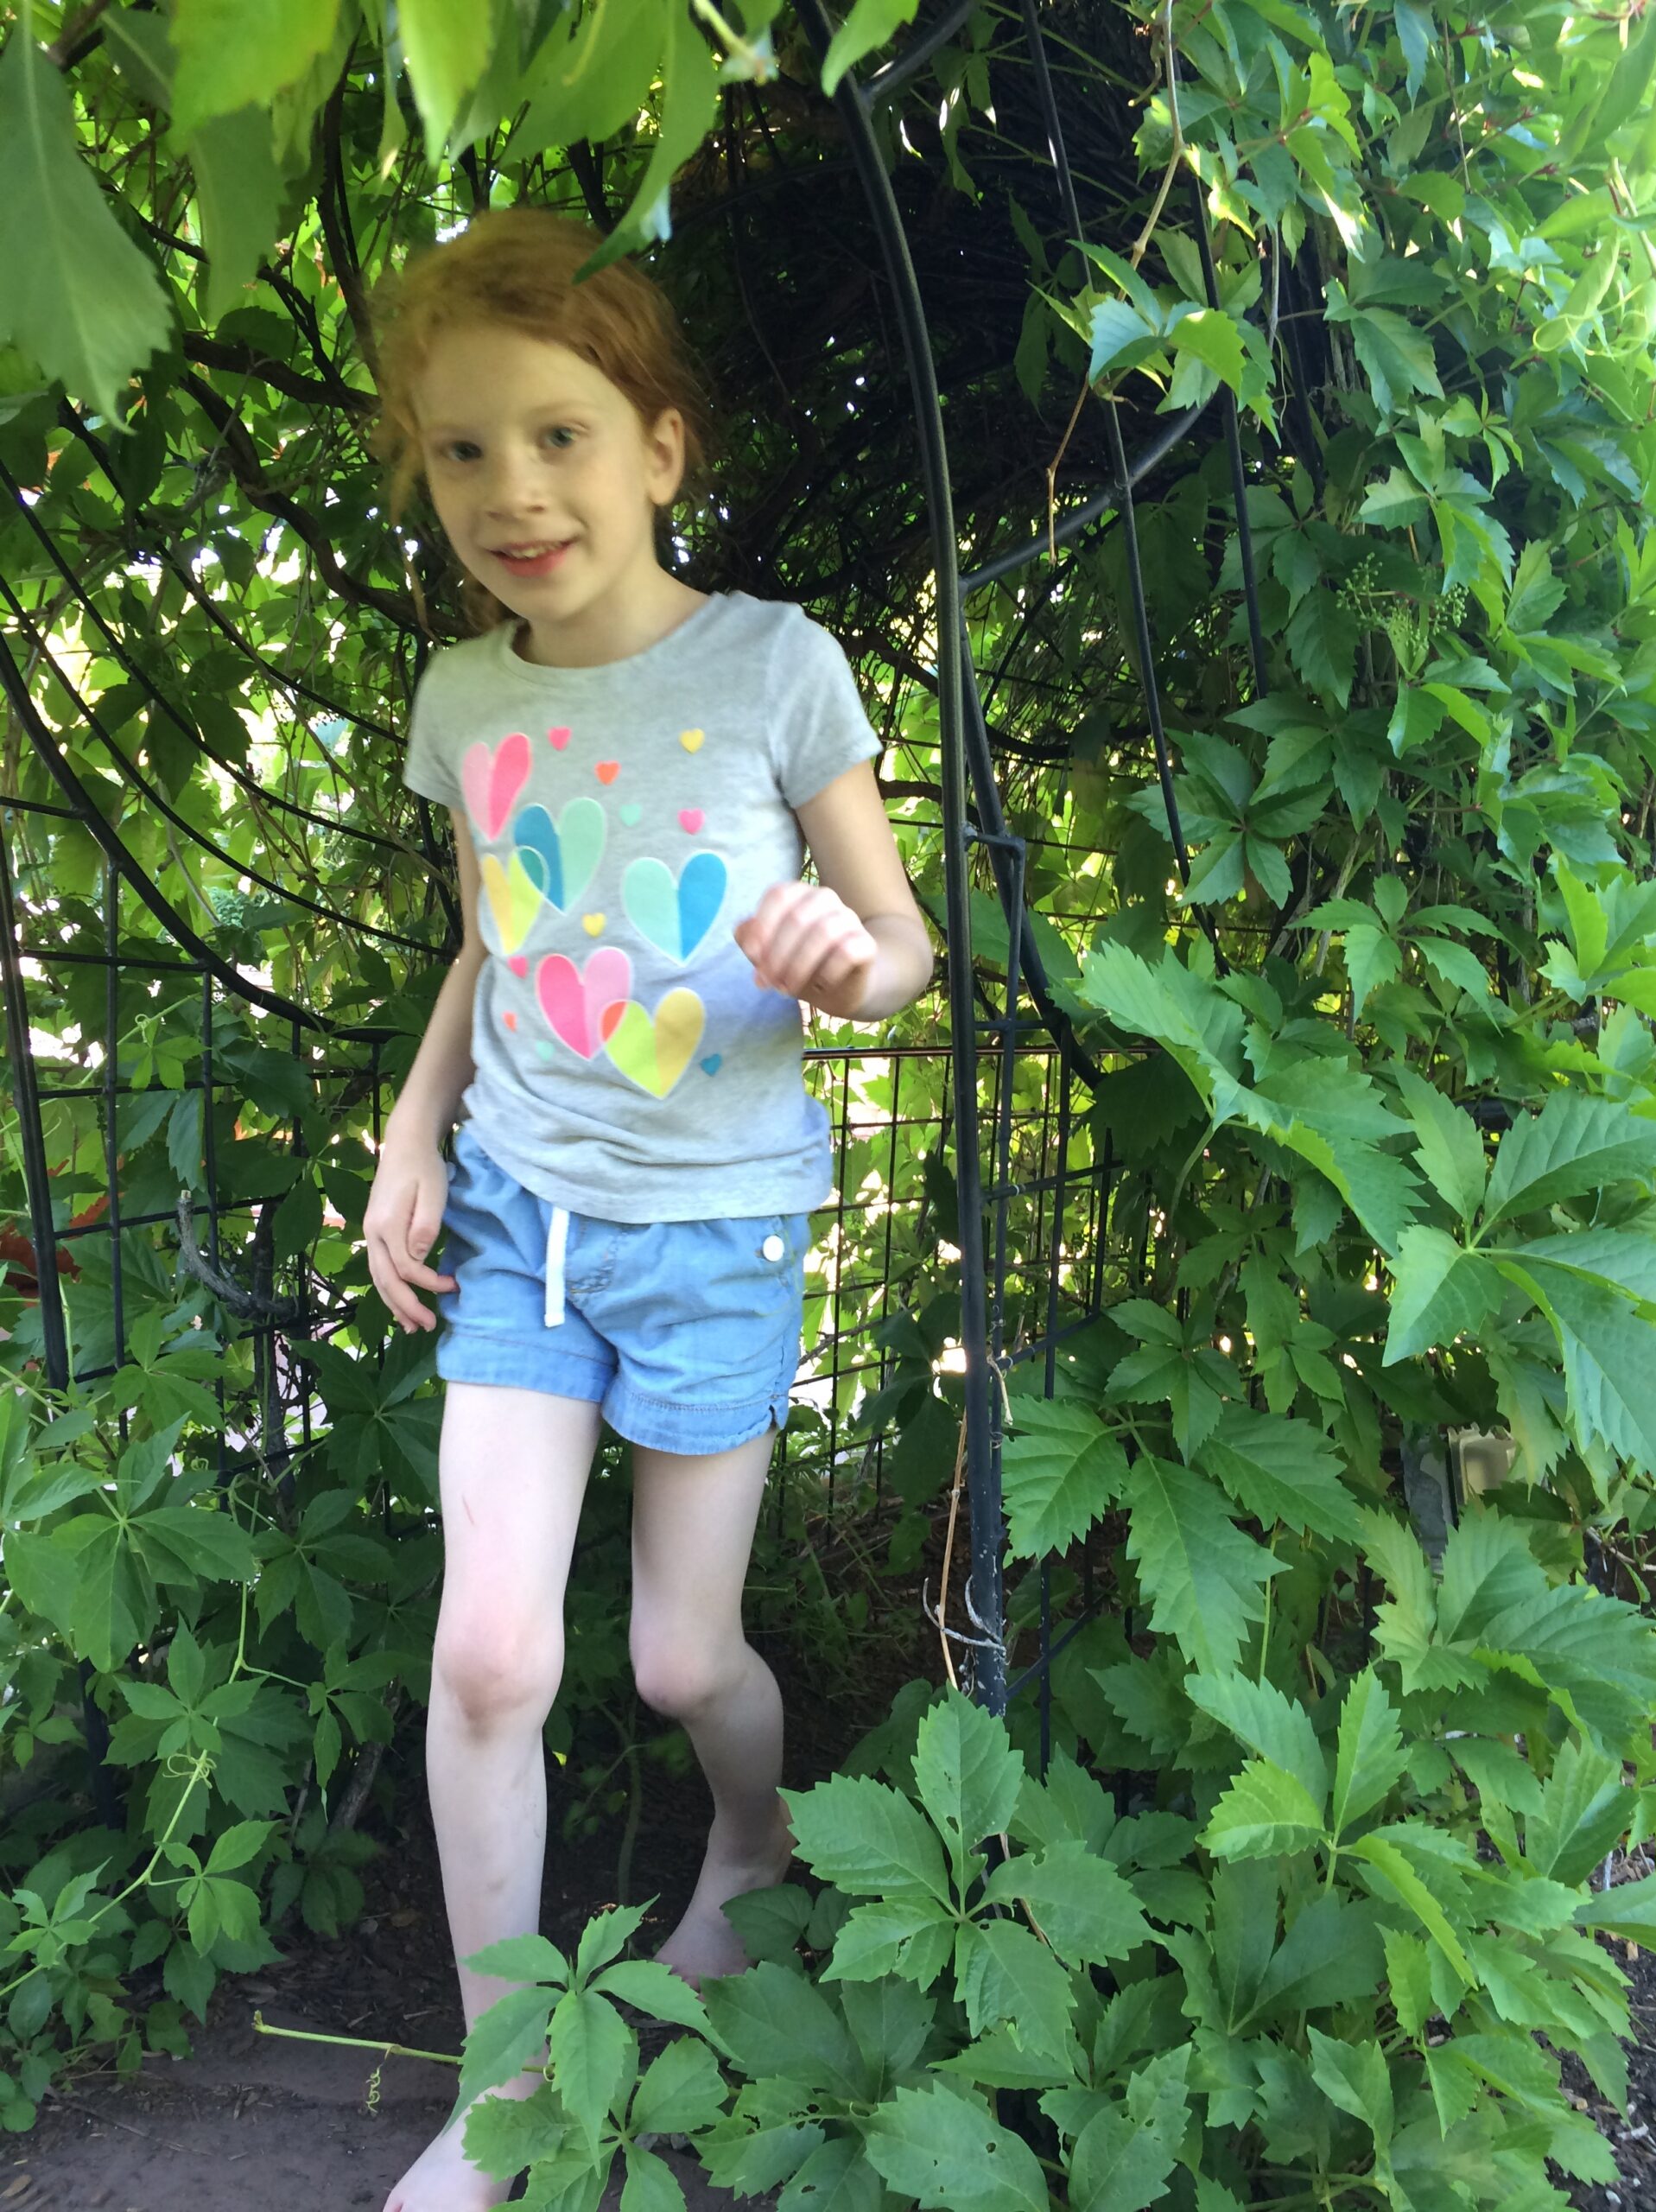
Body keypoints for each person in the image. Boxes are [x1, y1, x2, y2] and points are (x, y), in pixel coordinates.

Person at [361, 206, 935, 2212]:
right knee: (491, 1653)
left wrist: (847, 959)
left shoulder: (774, 665)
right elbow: (490, 944)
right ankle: (507, 2083)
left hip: (717, 1232)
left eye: (561, 435)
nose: (513, 490)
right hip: (524, 1219)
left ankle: (752, 1838)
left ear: (660, 448)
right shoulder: (464, 697)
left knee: (685, 1661)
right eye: (462, 449)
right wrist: (413, 1132)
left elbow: (900, 940)